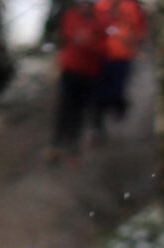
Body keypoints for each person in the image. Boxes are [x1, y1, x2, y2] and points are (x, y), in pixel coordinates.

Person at [46, 0, 107, 163]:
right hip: (70, 70)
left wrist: (88, 43)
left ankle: (73, 143)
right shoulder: (70, 16)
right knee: (65, 107)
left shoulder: (99, 20)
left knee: (80, 109)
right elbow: (66, 35)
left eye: (87, 3)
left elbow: (102, 47)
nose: (83, 6)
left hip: (89, 72)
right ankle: (56, 143)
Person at [93, 0, 147, 127]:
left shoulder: (132, 7)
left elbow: (139, 30)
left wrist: (133, 40)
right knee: (99, 89)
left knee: (117, 88)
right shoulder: (101, 5)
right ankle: (98, 119)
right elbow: (94, 25)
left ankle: (118, 107)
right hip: (102, 55)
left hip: (122, 56)